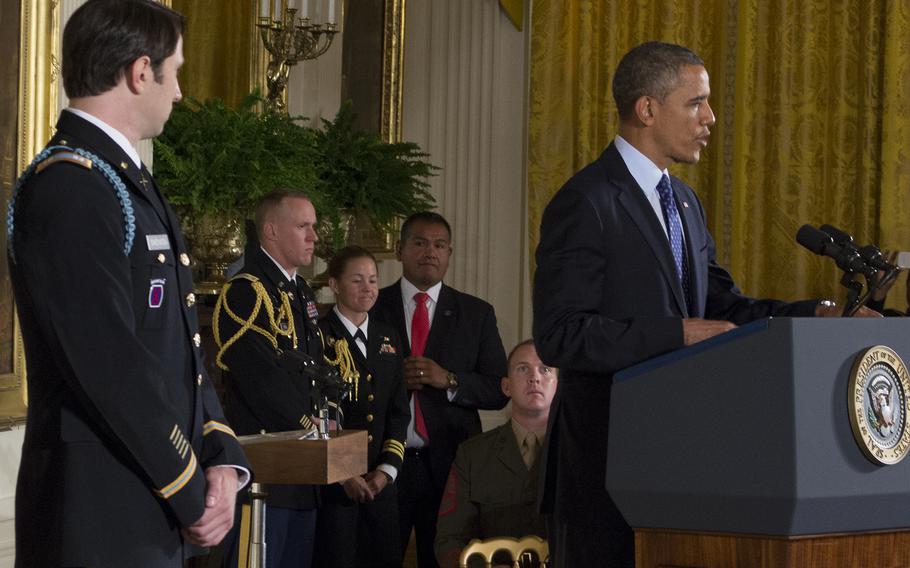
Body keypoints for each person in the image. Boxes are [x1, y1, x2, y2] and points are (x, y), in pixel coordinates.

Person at [532, 41, 879, 568]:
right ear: (647, 109)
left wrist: (816, 315)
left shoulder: (685, 202)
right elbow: (562, 334)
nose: (711, 118)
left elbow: (726, 309)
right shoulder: (586, 201)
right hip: (604, 476)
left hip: (683, 472)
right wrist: (679, 334)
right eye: (696, 103)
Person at [7, 1, 251, 566]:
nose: (180, 92)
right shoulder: (70, 187)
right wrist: (191, 489)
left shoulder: (125, 182)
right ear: (141, 72)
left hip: (147, 499)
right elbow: (110, 365)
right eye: (177, 71)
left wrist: (221, 454)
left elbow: (181, 346)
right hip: (96, 511)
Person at [372, 211, 510, 568]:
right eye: (419, 243)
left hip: (450, 465)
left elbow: (499, 388)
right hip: (384, 463)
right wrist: (391, 383)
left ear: (449, 254)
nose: (429, 252)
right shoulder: (372, 307)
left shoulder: (476, 313)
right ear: (400, 250)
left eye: (439, 245)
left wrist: (450, 379)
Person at [214, 190, 323, 568]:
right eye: (303, 227)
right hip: (267, 467)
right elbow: (261, 377)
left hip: (301, 469)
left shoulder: (298, 291)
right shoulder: (247, 290)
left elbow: (314, 367)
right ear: (271, 231)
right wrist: (308, 428)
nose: (314, 236)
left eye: (314, 227)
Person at [315, 246, 410, 567]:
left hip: (380, 485)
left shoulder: (388, 337)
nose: (368, 288)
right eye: (357, 280)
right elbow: (318, 417)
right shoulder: (320, 337)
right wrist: (345, 476)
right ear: (335, 284)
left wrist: (386, 471)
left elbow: (398, 412)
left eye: (372, 280)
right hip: (335, 487)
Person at [435, 340, 556, 568]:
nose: (534, 377)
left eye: (545, 369)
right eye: (523, 369)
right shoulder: (472, 455)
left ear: (559, 385)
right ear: (506, 387)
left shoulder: (577, 456)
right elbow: (450, 538)